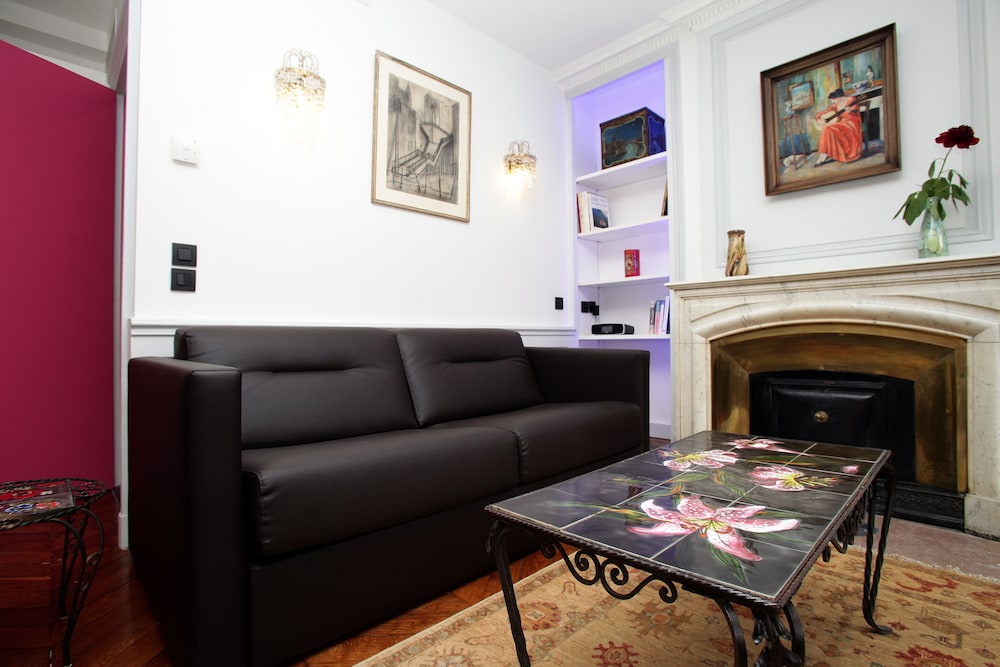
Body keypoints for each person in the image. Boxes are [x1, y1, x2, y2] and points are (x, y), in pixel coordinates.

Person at [812, 88, 862, 166]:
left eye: (833, 100)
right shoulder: (836, 105)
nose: (832, 102)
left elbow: (856, 110)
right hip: (842, 124)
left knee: (827, 128)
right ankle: (823, 154)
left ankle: (824, 154)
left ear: (838, 97)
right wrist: (818, 119)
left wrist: (851, 110)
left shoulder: (851, 99)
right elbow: (821, 113)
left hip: (852, 124)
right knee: (827, 128)